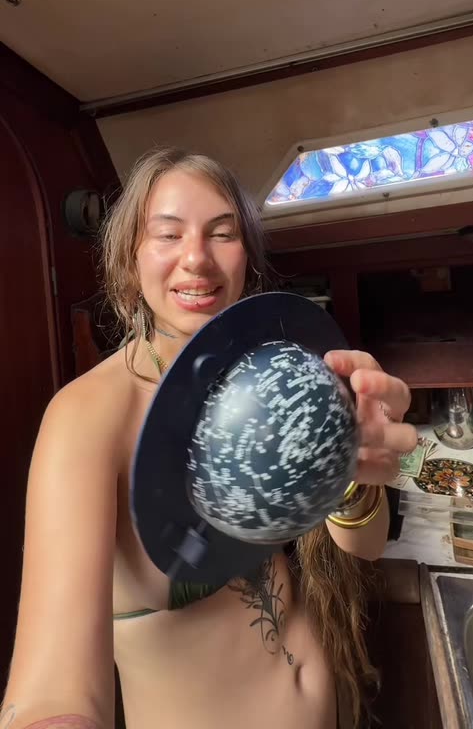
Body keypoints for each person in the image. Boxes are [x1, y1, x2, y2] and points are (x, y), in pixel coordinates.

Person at [1, 147, 417, 729]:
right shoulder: (86, 418)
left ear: (247, 256)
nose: (197, 258)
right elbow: (51, 691)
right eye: (168, 234)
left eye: (222, 234)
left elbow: (364, 548)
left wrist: (352, 469)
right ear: (130, 258)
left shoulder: (269, 373)